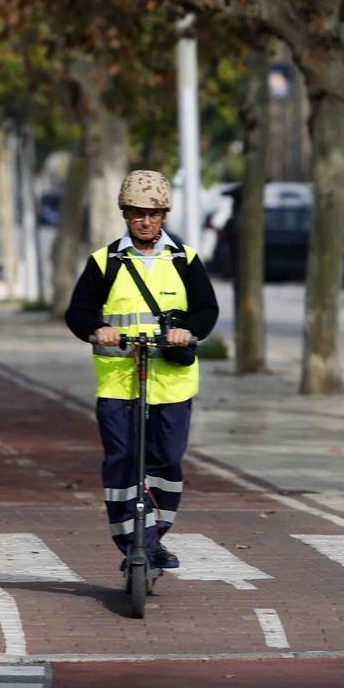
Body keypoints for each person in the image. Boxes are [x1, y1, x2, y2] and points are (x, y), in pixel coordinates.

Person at [64, 170, 219, 571]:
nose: (145, 221)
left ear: (164, 215)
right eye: (136, 213)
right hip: (119, 382)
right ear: (125, 214)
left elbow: (207, 309)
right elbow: (77, 311)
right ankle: (137, 542)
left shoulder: (185, 260)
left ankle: (154, 534)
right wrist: (96, 329)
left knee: (167, 460)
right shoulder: (105, 261)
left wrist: (189, 331)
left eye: (152, 213)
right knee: (122, 458)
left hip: (172, 383)